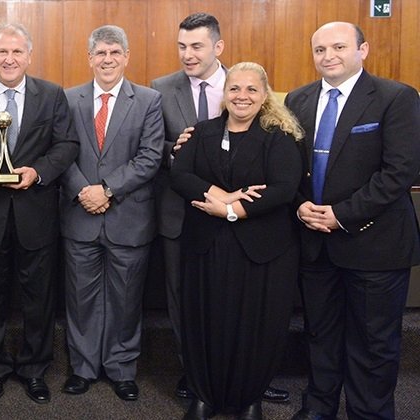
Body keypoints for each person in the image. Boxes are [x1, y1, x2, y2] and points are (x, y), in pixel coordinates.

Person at [151, 12, 291, 404]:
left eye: (196, 46)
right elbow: (152, 148)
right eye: (181, 46)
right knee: (188, 303)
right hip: (185, 215)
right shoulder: (159, 89)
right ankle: (194, 373)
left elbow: (277, 171)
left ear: (218, 46)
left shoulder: (242, 83)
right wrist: (175, 150)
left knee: (247, 304)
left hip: (250, 222)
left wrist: (233, 203)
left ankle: (251, 377)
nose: (187, 54)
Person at [285, 22, 420, 420]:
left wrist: (340, 215)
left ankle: (369, 414)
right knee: (320, 335)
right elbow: (287, 167)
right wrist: (298, 205)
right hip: (315, 243)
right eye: (320, 49)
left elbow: (400, 173)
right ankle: (319, 408)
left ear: (363, 49)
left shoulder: (396, 98)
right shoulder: (298, 99)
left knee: (374, 344)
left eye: (339, 47)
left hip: (374, 246)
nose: (329, 56)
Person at [0, 23, 78, 404]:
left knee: (39, 299)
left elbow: (67, 144)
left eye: (17, 52)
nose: (9, 59)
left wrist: (38, 172)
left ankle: (35, 370)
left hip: (36, 214)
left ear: (29, 56)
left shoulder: (52, 95)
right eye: (2, 52)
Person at [171, 62, 303, 420]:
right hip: (206, 247)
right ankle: (204, 396)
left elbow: (283, 188)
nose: (242, 96)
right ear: (224, 93)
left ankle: (249, 399)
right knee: (205, 319)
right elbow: (180, 174)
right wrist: (223, 195)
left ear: (264, 96)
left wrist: (231, 211)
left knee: (255, 324)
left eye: (251, 90)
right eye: (234, 89)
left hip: (262, 250)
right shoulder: (202, 131)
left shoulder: (279, 137)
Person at [57, 25, 163, 402]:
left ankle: (121, 368)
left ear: (126, 56)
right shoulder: (67, 100)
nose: (107, 60)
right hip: (79, 215)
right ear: (89, 58)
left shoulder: (149, 100)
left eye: (114, 52)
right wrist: (82, 190)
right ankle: (83, 368)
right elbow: (60, 153)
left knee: (125, 298)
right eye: (100, 53)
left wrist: (107, 190)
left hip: (128, 219)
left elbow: (150, 157)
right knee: (81, 298)